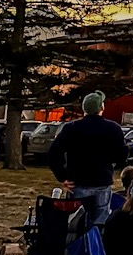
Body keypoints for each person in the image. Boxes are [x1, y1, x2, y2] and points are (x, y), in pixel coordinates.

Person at [48, 90, 127, 226]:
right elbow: (122, 155)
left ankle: (77, 246)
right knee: (99, 224)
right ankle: (94, 245)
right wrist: (110, 162)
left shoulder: (71, 128)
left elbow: (53, 153)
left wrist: (63, 176)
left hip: (78, 184)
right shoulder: (113, 129)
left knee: (76, 223)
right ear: (102, 108)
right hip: (102, 183)